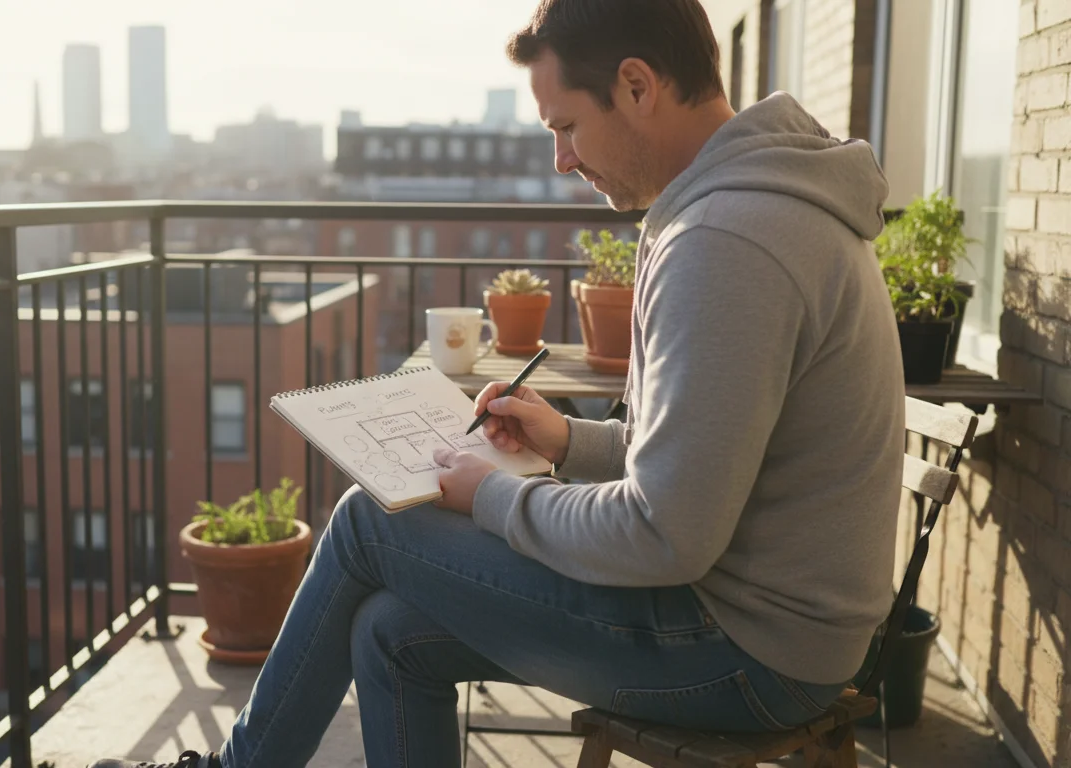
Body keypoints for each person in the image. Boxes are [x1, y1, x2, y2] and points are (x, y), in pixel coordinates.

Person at [90, 0, 905, 765]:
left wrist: (489, 495)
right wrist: (568, 440)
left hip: (747, 650)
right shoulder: (747, 209)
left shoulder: (727, 241)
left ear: (636, 85)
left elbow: (667, 532)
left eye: (568, 127)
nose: (563, 160)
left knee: (371, 523)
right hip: (764, 621)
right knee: (386, 631)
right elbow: (706, 460)